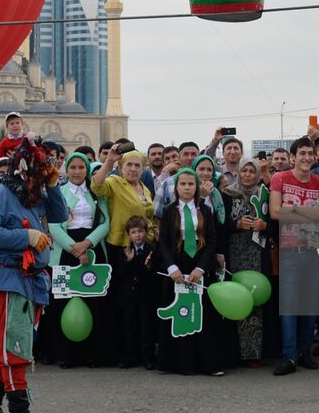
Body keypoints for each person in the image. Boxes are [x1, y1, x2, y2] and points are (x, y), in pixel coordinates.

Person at [0, 137, 67, 413]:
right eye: (43, 170)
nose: (45, 174)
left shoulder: (35, 191)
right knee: (13, 350)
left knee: (13, 347)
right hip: (8, 279)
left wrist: (53, 185)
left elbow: (60, 215)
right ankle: (18, 408)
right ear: (26, 169)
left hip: (33, 280)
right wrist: (25, 236)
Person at [269, 136, 319, 375]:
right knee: (289, 305)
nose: (306, 157)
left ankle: (305, 352)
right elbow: (275, 212)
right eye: (302, 153)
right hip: (289, 250)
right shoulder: (280, 178)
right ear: (293, 157)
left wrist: (292, 210)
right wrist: (310, 212)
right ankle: (289, 356)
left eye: (310, 153)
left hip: (314, 250)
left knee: (310, 304)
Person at [156, 168, 225, 376]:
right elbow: (162, 243)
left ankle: (207, 364)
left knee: (202, 314)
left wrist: (201, 268)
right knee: (179, 312)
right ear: (176, 187)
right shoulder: (169, 210)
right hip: (176, 265)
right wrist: (171, 267)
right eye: (182, 184)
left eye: (190, 184)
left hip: (199, 264)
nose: (187, 188)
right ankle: (176, 363)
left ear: (196, 187)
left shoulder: (205, 209)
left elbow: (212, 241)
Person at [48, 151, 113, 368]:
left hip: (93, 247)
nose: (77, 172)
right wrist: (74, 248)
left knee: (93, 298)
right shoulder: (57, 192)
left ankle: (94, 354)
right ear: (67, 169)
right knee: (66, 300)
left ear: (87, 169)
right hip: (66, 250)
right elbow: (53, 225)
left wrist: (88, 243)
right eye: (73, 167)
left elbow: (105, 222)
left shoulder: (96, 192)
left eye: (81, 167)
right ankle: (68, 355)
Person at [226, 159, 272, 366]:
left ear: (258, 174)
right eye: (244, 171)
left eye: (251, 171)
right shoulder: (227, 194)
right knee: (234, 298)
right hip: (234, 255)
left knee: (255, 300)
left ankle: (253, 353)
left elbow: (274, 223)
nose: (247, 175)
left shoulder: (264, 195)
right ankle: (233, 352)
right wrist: (236, 224)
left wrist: (265, 225)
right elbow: (218, 225)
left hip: (257, 254)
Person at [112, 215, 158, 370]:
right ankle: (129, 357)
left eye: (140, 231)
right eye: (133, 232)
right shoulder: (125, 251)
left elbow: (153, 273)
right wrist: (129, 261)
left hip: (145, 295)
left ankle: (148, 358)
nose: (137, 235)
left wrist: (147, 266)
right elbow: (119, 273)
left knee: (146, 327)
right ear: (128, 234)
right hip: (129, 296)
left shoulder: (152, 250)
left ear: (146, 232)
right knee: (129, 326)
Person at [91, 147, 157, 254]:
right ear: (121, 168)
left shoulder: (144, 188)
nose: (133, 169)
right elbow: (96, 186)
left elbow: (148, 216)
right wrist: (109, 161)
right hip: (121, 245)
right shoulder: (115, 182)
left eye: (137, 165)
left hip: (144, 243)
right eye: (129, 164)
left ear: (142, 169)